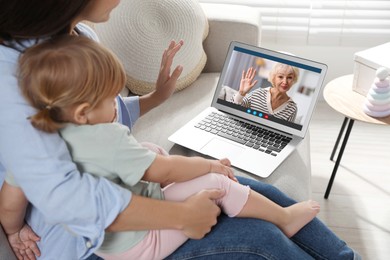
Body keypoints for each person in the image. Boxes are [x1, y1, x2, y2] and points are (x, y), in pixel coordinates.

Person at [0, 1, 361, 259]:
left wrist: (156, 98)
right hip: (93, 241)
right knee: (260, 236)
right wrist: (183, 215)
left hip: (128, 188)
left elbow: (100, 122)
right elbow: (70, 197)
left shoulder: (76, 35)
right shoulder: (14, 76)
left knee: (260, 190)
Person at [233, 64, 298, 122]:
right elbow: (234, 109)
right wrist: (241, 93)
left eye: (289, 77)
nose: (285, 82)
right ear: (273, 78)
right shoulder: (258, 93)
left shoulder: (292, 108)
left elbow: (286, 133)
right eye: (280, 77)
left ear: (293, 80)